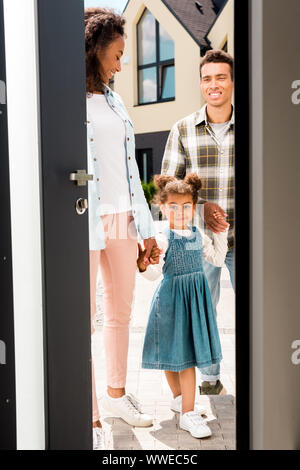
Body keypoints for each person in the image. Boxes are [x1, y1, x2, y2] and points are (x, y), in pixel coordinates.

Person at [85, 8, 158, 450]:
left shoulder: (116, 101)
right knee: (82, 320)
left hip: (123, 218)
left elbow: (131, 169)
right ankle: (89, 412)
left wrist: (145, 228)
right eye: (116, 54)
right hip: (85, 217)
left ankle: (115, 395)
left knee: (120, 313)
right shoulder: (68, 98)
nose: (120, 63)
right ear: (95, 50)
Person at [161, 49, 235, 395]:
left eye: (221, 77)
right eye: (207, 78)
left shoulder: (255, 124)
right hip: (198, 243)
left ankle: (260, 374)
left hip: (248, 239)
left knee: (260, 311)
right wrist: (201, 207)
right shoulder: (183, 129)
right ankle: (209, 380)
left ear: (233, 81)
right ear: (200, 84)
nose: (213, 85)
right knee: (204, 310)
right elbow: (169, 191)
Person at [137, 174, 229, 439]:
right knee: (173, 354)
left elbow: (217, 259)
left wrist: (220, 233)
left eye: (186, 206)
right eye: (173, 206)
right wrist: (143, 264)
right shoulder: (162, 238)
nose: (180, 211)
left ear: (194, 206)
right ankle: (184, 407)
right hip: (170, 302)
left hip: (195, 303)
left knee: (186, 356)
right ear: (163, 207)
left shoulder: (198, 235)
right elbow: (154, 275)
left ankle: (185, 407)